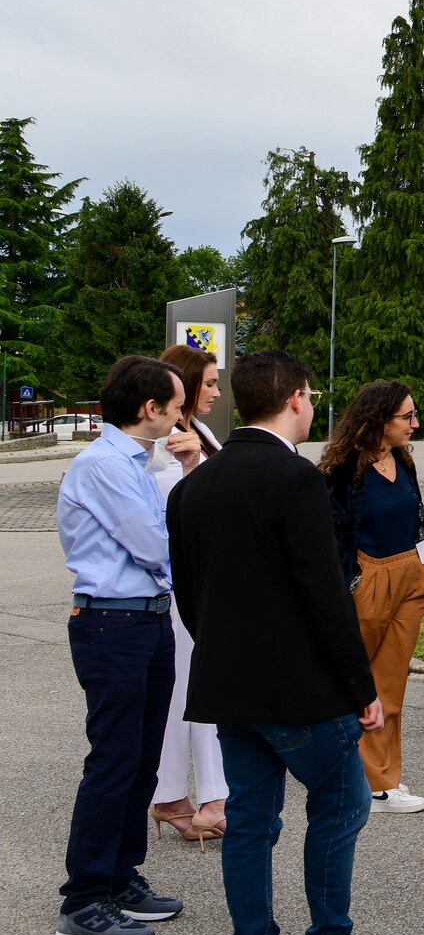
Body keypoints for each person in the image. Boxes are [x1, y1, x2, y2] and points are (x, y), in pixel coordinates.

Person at [167, 349, 398, 935]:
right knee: (342, 802)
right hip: (299, 689)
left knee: (250, 821)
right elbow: (323, 595)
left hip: (227, 685)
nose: (314, 404)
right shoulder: (294, 482)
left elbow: (190, 596)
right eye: (311, 394)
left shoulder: (192, 489)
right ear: (295, 398)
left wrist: (223, 652)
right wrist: (361, 685)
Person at [53, 356, 194, 935]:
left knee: (141, 756)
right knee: (114, 758)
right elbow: (154, 543)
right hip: (112, 624)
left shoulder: (140, 461)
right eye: (177, 404)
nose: (184, 415)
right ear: (149, 409)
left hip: (145, 619)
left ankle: (119, 875)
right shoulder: (106, 464)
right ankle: (83, 902)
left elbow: (163, 532)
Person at [321, 382, 424, 815]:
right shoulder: (342, 469)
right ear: (379, 419)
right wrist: (351, 581)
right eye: (407, 416)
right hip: (366, 581)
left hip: (410, 577)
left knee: (390, 683)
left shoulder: (403, 461)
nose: (415, 423)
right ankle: (343, 770)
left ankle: (381, 781)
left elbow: (417, 516)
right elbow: (331, 538)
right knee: (353, 680)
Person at [148, 343, 228, 846]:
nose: (218, 392)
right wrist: (193, 466)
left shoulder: (199, 432)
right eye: (211, 383)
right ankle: (204, 796)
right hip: (182, 583)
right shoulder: (171, 443)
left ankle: (179, 794)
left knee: (191, 690)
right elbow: (173, 508)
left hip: (202, 576)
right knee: (195, 690)